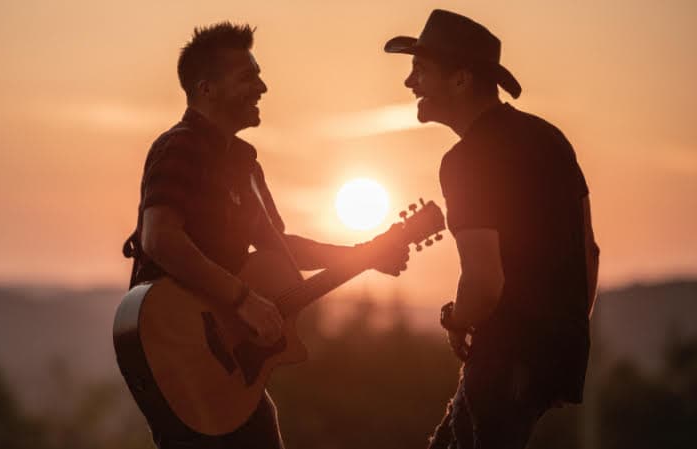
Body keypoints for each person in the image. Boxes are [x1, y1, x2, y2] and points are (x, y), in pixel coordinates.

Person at [122, 22, 410, 449]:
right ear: (207, 89)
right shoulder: (180, 148)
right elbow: (160, 239)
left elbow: (281, 245)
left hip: (228, 367)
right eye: (248, 76)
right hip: (178, 348)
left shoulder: (244, 164)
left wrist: (365, 253)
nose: (263, 87)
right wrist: (242, 299)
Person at [384, 10, 600, 449]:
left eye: (420, 70)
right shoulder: (550, 139)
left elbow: (483, 283)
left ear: (461, 79)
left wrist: (454, 320)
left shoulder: (464, 162)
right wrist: (561, 332)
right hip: (553, 358)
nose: (409, 83)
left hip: (505, 359)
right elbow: (589, 251)